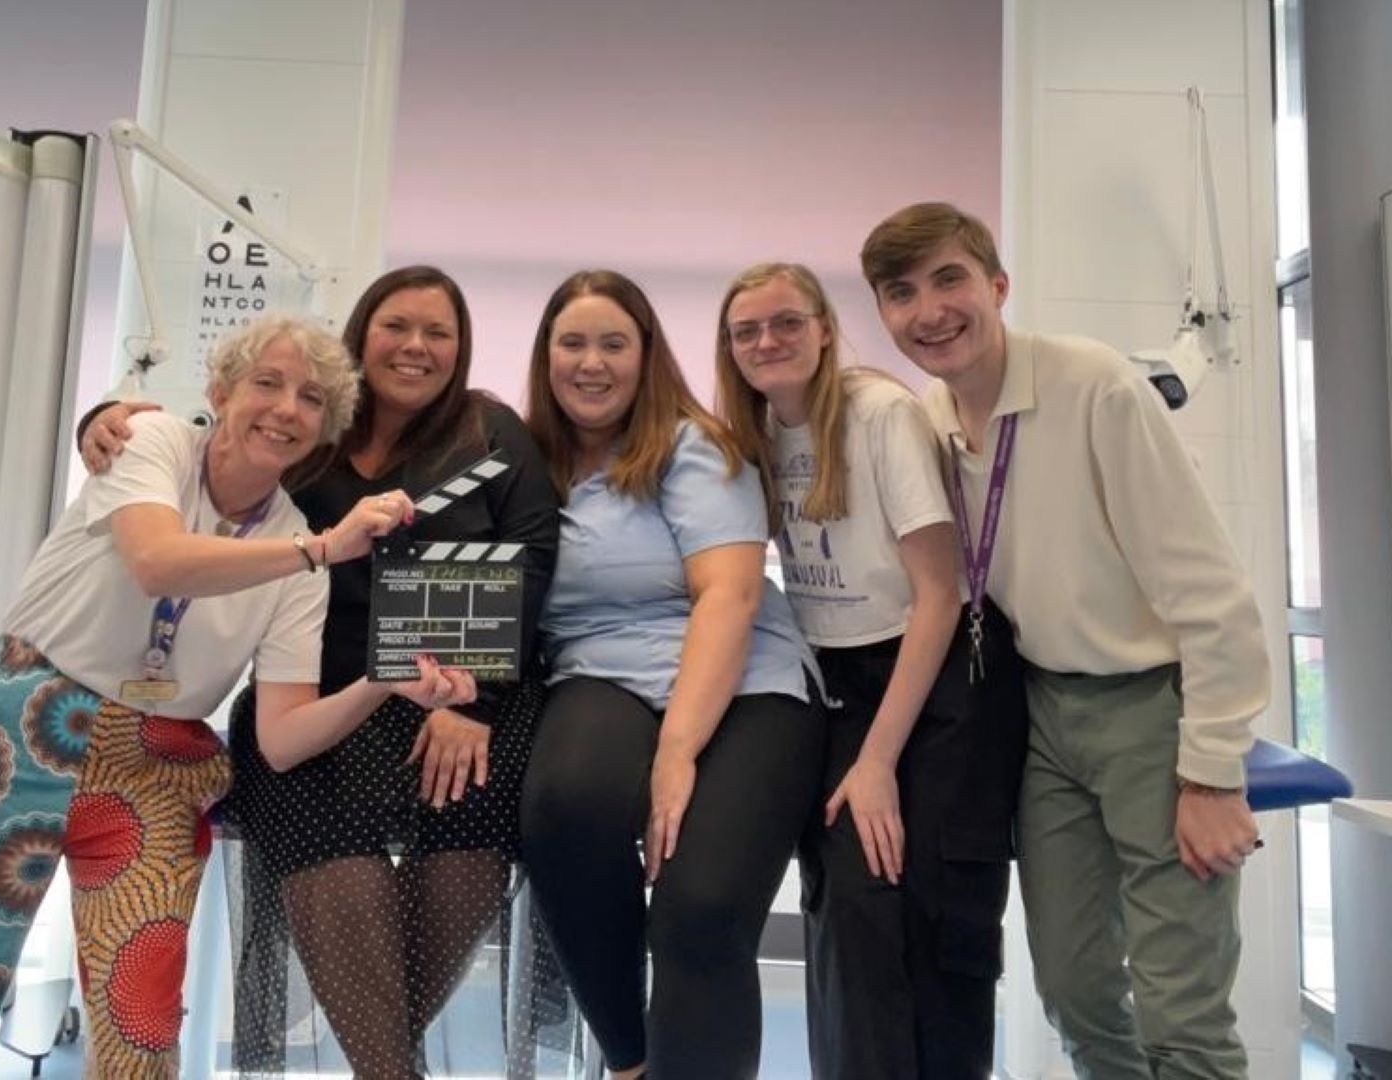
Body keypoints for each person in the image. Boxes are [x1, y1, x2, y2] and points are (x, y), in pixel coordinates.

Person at [0, 315, 473, 1080]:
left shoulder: (298, 544)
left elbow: (283, 737)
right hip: (21, 724)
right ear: (220, 391)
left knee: (140, 1028)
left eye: (310, 398)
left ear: (324, 430)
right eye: (266, 383)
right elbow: (155, 560)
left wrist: (381, 684)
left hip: (157, 762)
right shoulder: (155, 446)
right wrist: (315, 553)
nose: (285, 408)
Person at [83, 266, 561, 1078]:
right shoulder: (306, 432)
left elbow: (533, 564)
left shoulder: (489, 431)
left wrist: (471, 702)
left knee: (470, 826)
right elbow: (209, 448)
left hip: (469, 697)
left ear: (462, 348)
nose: (415, 346)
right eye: (396, 326)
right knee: (316, 821)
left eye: (437, 332)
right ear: (362, 335)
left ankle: (383, 1067)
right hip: (313, 698)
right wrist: (105, 416)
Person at [860, 202, 1270, 1078]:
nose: (929, 310)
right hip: (1046, 716)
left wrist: (1211, 769)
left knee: (1180, 1012)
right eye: (901, 293)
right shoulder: (929, 417)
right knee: (1076, 992)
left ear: (997, 286)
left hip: (1152, 713)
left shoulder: (1095, 387)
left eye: (949, 280)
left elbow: (1214, 599)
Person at [713, 261, 1029, 1078]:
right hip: (833, 682)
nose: (767, 341)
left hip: (933, 680)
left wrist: (878, 758)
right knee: (846, 916)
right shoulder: (753, 435)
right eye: (746, 330)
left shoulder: (878, 413)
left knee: (929, 925)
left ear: (823, 327)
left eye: (786, 321)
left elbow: (940, 594)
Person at [517, 269, 823, 1079]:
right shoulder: (523, 461)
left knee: (700, 911)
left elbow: (729, 594)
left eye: (614, 343)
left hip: (744, 680)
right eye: (572, 343)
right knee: (566, 811)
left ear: (647, 354)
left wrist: (676, 756)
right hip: (600, 670)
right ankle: (630, 1061)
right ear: (544, 356)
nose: (592, 362)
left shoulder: (696, 446)